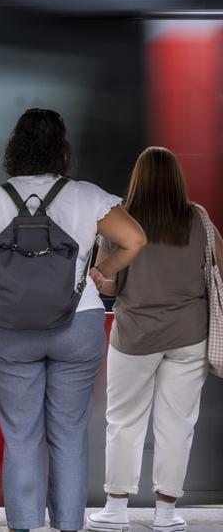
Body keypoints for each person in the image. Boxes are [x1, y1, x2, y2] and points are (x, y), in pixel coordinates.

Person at [0, 108, 147, 532]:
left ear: (15, 147)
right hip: (77, 325)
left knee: (21, 436)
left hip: (6, 330)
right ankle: (67, 523)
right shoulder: (87, 195)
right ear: (62, 148)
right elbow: (136, 239)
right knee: (68, 432)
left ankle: (24, 524)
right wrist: (104, 270)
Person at [87, 147, 222, 532]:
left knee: (124, 421)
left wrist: (104, 274)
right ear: (177, 179)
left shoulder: (121, 222)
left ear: (138, 179)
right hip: (189, 335)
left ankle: (116, 509)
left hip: (135, 336)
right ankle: (166, 512)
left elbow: (108, 284)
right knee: (177, 424)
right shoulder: (198, 218)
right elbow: (219, 270)